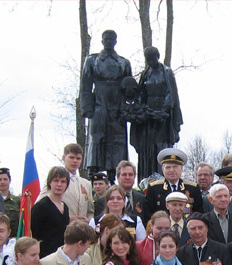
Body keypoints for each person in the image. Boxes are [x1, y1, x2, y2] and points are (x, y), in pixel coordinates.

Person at [80, 30, 132, 180]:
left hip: (117, 104)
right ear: (102, 41)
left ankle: (113, 174)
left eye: (112, 39)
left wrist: (128, 104)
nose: (109, 41)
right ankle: (92, 173)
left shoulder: (124, 62)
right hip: (99, 102)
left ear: (116, 41)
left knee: (116, 140)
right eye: (106, 39)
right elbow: (85, 85)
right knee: (96, 137)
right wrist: (87, 108)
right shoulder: (92, 60)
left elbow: (129, 86)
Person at [132, 46, 182, 180]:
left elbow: (171, 93)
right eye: (148, 59)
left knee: (161, 149)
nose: (150, 62)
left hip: (162, 119)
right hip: (148, 120)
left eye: (152, 58)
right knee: (147, 151)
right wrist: (143, 110)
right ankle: (146, 181)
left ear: (157, 57)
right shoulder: (145, 74)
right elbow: (141, 95)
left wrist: (163, 110)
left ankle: (163, 179)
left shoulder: (166, 72)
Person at [143, 148, 203, 221]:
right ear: (163, 170)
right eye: (168, 167)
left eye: (175, 167)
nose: (171, 170)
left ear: (181, 169)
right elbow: (148, 215)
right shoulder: (154, 188)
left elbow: (199, 214)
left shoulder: (192, 188)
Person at [31, 166, 70, 258]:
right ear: (50, 182)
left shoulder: (66, 207)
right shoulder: (40, 206)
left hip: (61, 255)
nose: (59, 184)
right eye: (56, 180)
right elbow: (33, 234)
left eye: (63, 181)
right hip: (44, 257)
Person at [59, 143, 94, 222]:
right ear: (64, 158)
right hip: (62, 230)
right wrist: (66, 219)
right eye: (71, 157)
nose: (75, 161)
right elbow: (42, 206)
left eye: (78, 158)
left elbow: (90, 211)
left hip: (82, 231)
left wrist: (88, 221)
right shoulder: (55, 181)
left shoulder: (86, 184)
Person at [0, 168, 20, 235]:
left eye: (5, 179)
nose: (2, 182)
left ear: (9, 180)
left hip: (12, 239)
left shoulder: (18, 201)